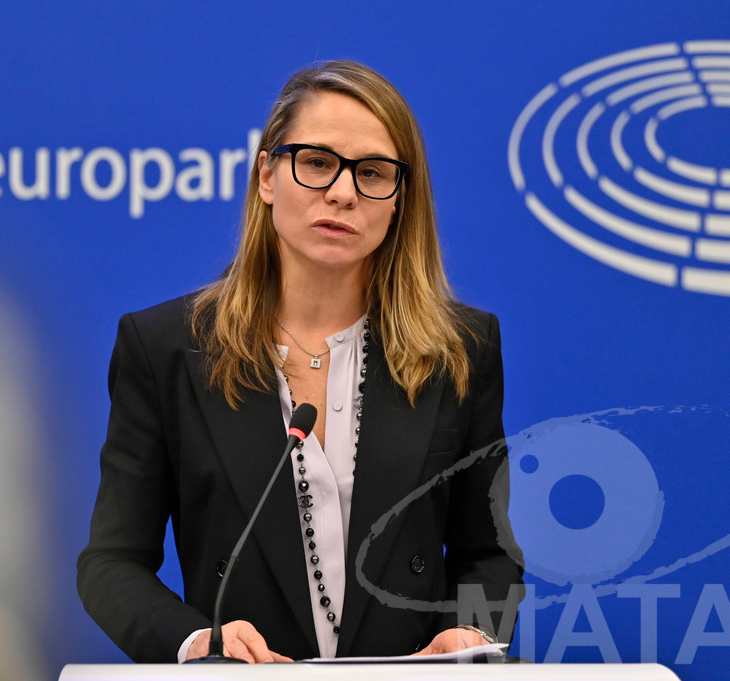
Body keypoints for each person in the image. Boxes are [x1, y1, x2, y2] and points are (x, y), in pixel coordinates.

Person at [76, 60, 524, 663]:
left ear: (399, 200)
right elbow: (111, 563)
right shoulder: (164, 348)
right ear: (267, 174)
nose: (342, 192)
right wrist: (195, 641)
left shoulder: (459, 349)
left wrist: (469, 633)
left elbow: (488, 552)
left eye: (372, 173)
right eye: (316, 163)